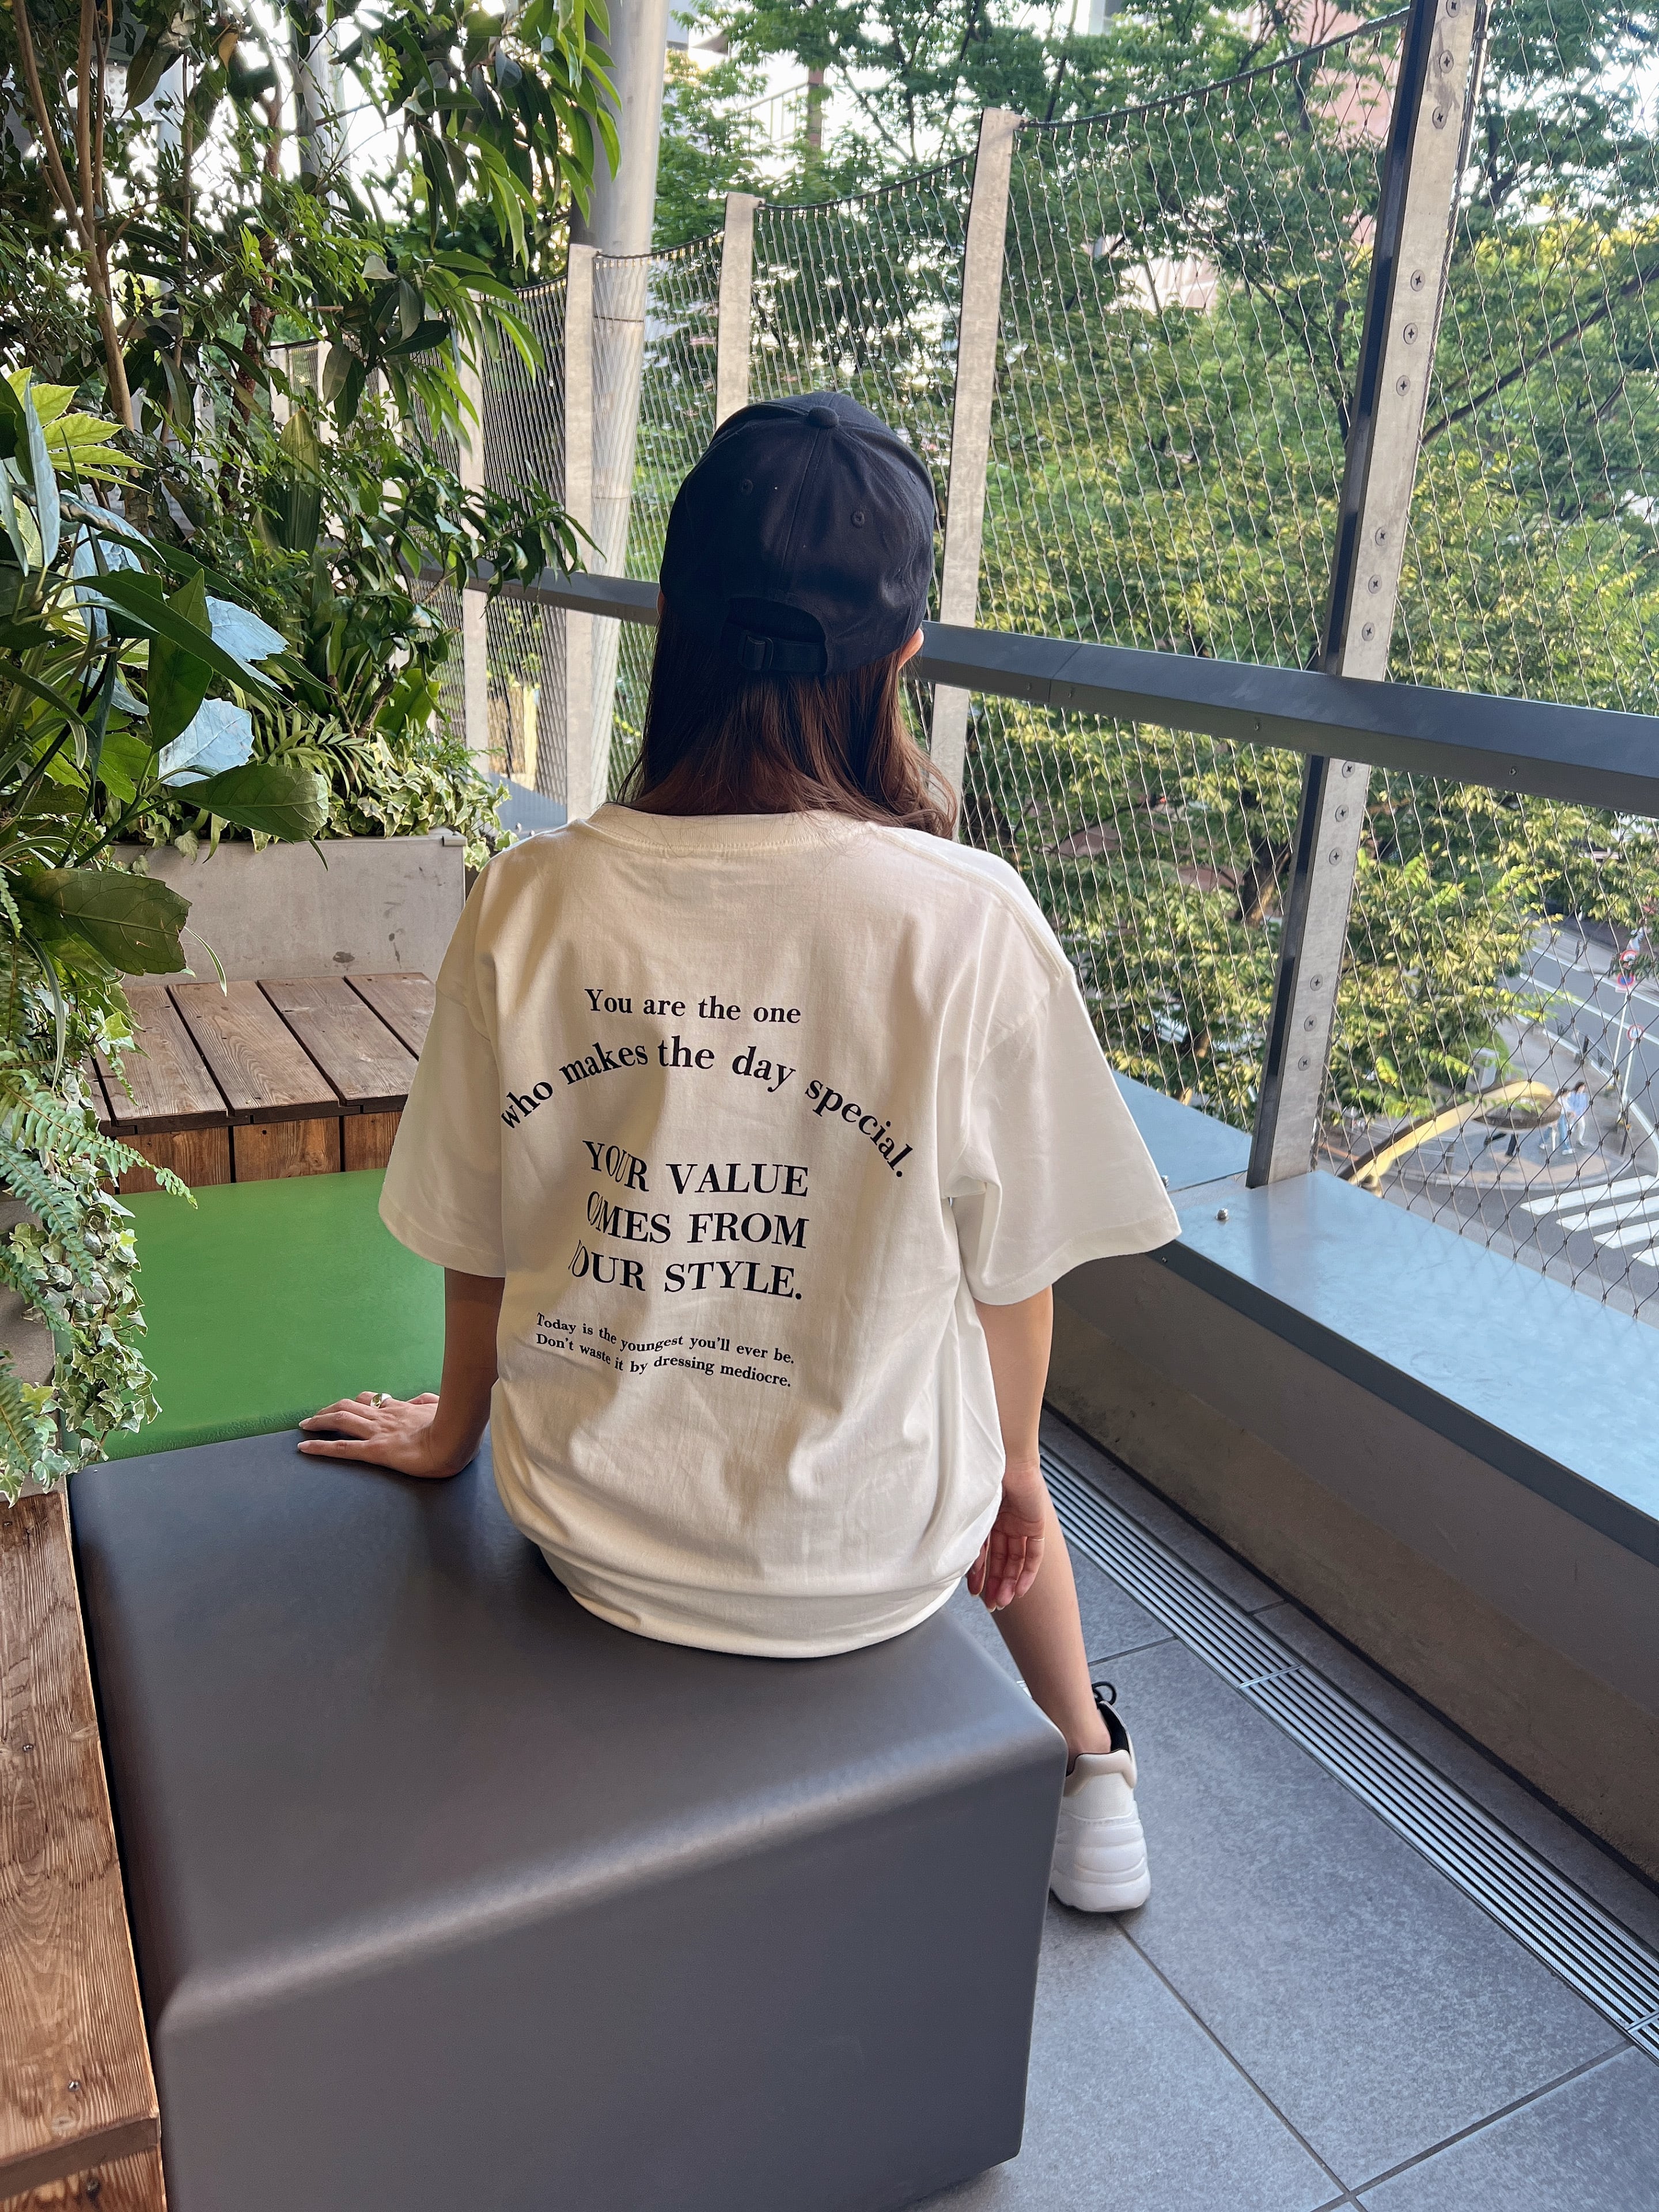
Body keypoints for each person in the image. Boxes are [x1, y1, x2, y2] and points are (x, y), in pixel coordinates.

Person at [300, 392, 1181, 1914]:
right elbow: (1013, 1276)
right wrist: (1018, 1474)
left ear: (671, 627)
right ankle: (1089, 1767)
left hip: (590, 1531)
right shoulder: (970, 922)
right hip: (877, 1558)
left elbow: (477, 1231)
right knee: (970, 1368)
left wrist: (452, 1436)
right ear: (903, 657)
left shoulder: (530, 897)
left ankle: (1086, 1750)